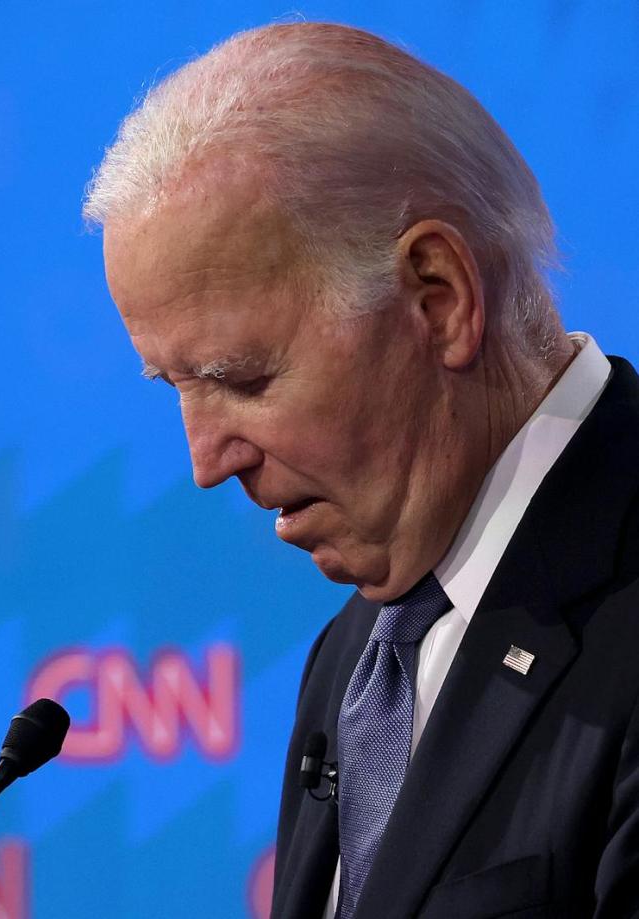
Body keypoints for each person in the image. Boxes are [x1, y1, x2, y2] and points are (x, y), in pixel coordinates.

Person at [85, 21, 639, 919]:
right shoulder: (356, 656)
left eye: (242, 378)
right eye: (175, 387)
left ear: (438, 297)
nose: (206, 462)